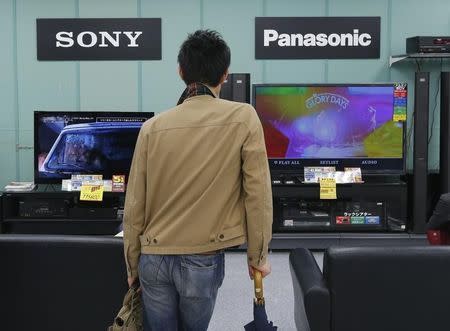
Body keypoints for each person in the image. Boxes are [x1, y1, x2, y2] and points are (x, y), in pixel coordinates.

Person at [123, 29, 273, 331]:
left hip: (153, 257)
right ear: (225, 75)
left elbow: (134, 203)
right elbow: (258, 195)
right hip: (202, 258)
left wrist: (132, 263)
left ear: (181, 71)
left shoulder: (152, 128)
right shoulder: (244, 118)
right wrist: (258, 255)